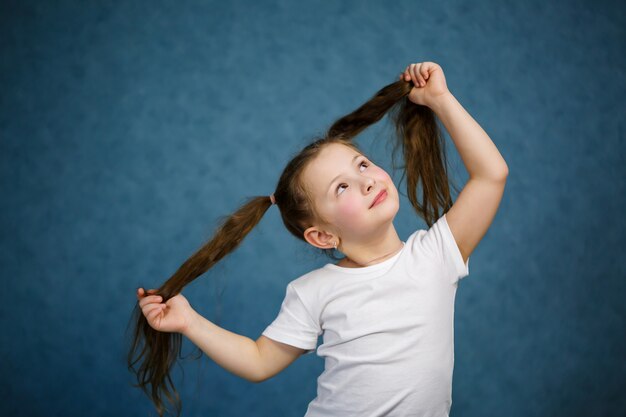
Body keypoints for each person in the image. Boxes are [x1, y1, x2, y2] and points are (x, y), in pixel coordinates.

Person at [128, 61, 508, 417]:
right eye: (341, 187)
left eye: (361, 164)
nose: (366, 179)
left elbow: (491, 174)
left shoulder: (436, 255)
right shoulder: (315, 290)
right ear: (322, 235)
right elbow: (260, 361)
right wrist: (190, 322)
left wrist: (440, 100)